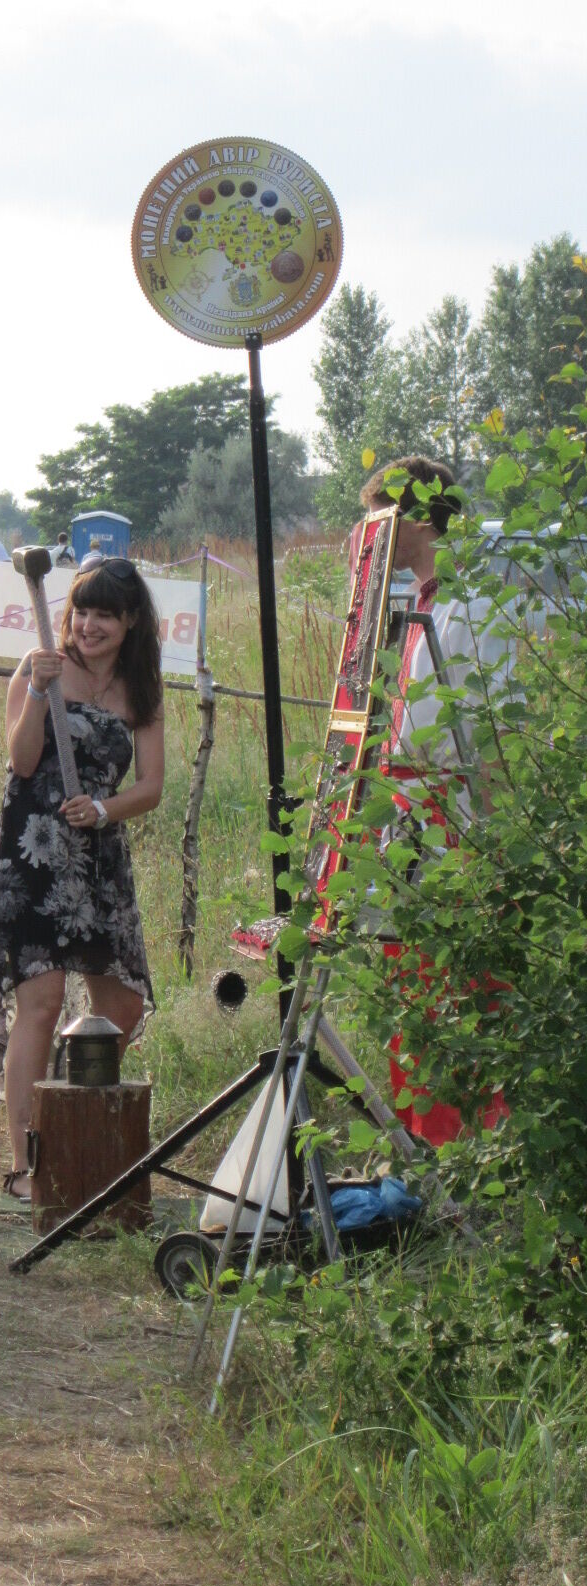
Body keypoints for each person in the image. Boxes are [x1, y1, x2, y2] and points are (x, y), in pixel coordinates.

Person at [0, 557, 165, 1204]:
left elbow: (151, 786)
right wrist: (37, 692)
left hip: (98, 857)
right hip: (34, 851)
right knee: (42, 1002)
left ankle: (74, 1119)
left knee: (121, 1006)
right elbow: (22, 758)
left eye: (105, 615)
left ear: (130, 621)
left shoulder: (141, 688)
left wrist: (105, 809)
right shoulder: (41, 669)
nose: (89, 625)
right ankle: (26, 1166)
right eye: (82, 611)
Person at [360, 455, 512, 1145]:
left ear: (419, 518)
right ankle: (420, 1139)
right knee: (409, 983)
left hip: (450, 816)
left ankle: (463, 1145)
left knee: (451, 982)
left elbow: (482, 727)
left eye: (383, 523)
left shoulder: (470, 601)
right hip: (409, 814)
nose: (375, 540)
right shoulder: (420, 599)